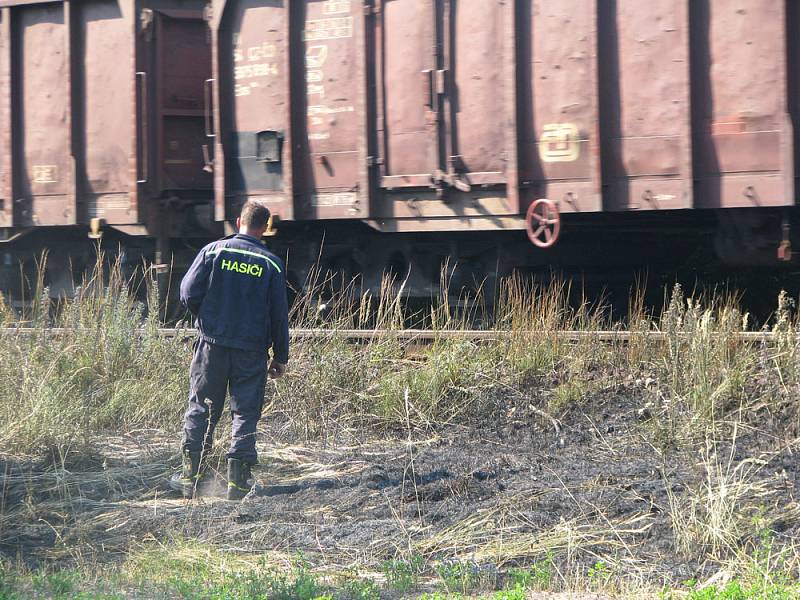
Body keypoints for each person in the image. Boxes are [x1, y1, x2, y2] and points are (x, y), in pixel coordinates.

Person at [169, 201, 289, 500]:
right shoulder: (271, 264)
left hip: (212, 345)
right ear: (266, 227)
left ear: (238, 221)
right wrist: (281, 357)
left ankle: (189, 479)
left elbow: (187, 293)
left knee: (202, 407)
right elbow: (278, 316)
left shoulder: (213, 251)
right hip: (251, 350)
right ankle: (238, 484)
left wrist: (206, 319)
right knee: (245, 412)